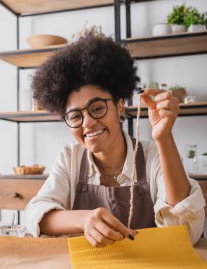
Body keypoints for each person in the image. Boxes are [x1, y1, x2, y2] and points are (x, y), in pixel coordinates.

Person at [24, 35, 205, 246]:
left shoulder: (154, 156)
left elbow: (185, 232)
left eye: (98, 108)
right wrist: (83, 220)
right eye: (75, 116)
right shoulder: (70, 158)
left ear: (120, 106)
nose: (88, 122)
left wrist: (164, 138)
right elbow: (34, 213)